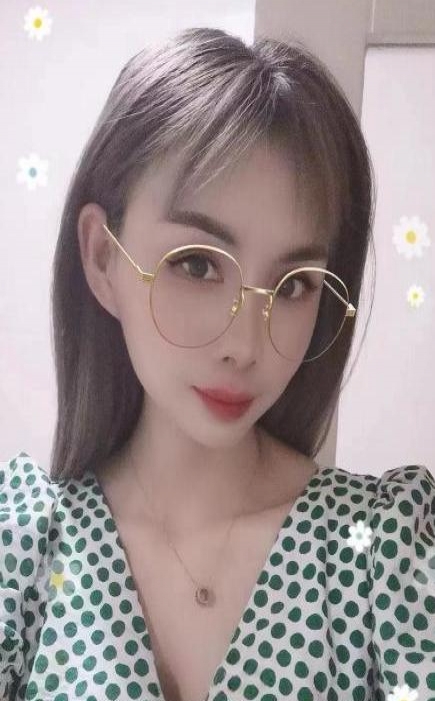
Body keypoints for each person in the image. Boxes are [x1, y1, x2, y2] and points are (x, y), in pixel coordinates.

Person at [1, 26, 434, 701]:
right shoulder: (23, 551)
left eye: (293, 284)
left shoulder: (383, 555)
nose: (246, 344)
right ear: (103, 257)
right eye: (198, 265)